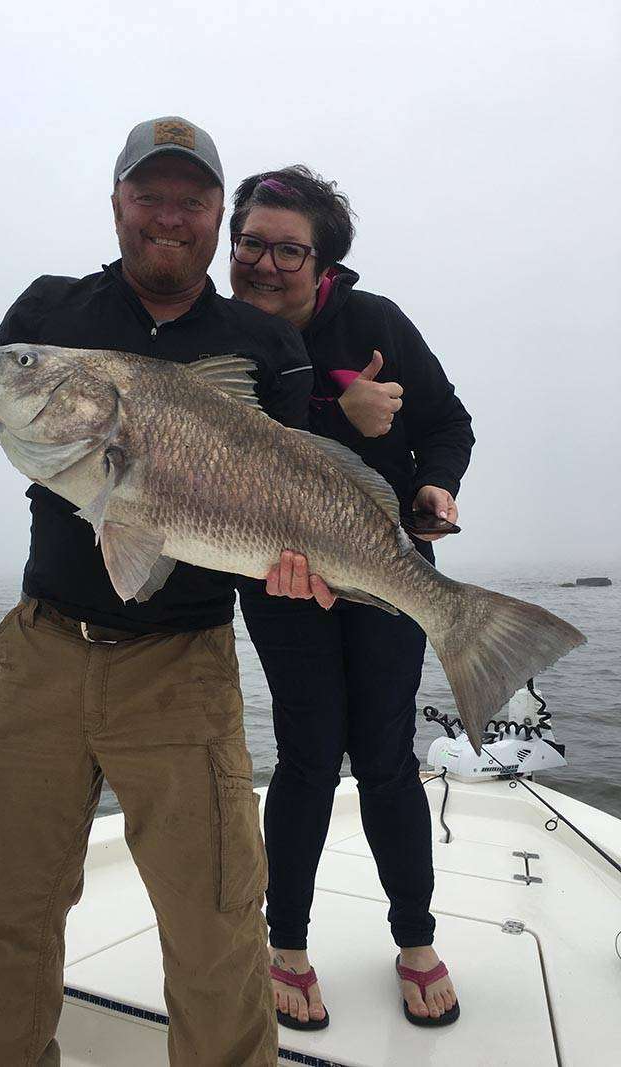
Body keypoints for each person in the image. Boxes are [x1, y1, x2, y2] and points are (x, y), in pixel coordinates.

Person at [0, 119, 314, 1067]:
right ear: (116, 202)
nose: (169, 216)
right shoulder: (55, 311)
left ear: (216, 215)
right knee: (10, 914)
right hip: (40, 657)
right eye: (148, 195)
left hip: (185, 671)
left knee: (215, 929)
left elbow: (285, 501)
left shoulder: (264, 343)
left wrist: (308, 575)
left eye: (191, 200)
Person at [230, 167, 475, 1030]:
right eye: (251, 241)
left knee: (385, 754)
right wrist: (346, 407)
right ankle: (287, 946)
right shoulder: (223, 336)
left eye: (287, 249)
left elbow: (448, 421)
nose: (264, 263)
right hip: (278, 573)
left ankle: (414, 938)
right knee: (305, 756)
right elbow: (240, 444)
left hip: (387, 564)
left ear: (321, 257)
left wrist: (436, 488)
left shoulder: (376, 323)